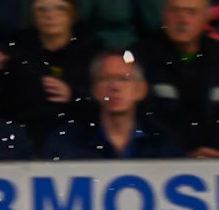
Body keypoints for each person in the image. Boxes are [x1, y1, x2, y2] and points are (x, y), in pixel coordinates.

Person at [131, 0, 219, 157]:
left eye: (191, 12)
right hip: (162, 161)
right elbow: (145, 117)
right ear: (164, 15)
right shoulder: (141, 57)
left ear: (205, 18)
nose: (182, 20)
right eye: (175, 11)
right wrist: (182, 154)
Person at [0, 0, 99, 145]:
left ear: (73, 15)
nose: (49, 15)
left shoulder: (92, 52)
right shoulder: (16, 49)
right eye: (41, 9)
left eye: (60, 9)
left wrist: (73, 95)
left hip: (80, 133)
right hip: (25, 133)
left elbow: (101, 101)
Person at [43, 48, 184, 155]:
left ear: (141, 89)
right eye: (105, 79)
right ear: (94, 89)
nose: (115, 87)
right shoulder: (66, 142)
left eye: (124, 79)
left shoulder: (163, 143)